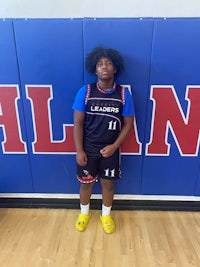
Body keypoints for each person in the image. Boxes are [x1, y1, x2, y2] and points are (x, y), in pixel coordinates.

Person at [72, 46, 135, 234]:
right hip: (88, 148)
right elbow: (77, 123)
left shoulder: (124, 94)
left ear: (115, 68)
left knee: (108, 183)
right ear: (95, 69)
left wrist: (115, 146)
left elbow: (128, 125)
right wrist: (79, 150)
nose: (104, 67)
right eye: (100, 64)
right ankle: (84, 213)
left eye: (108, 63)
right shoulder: (86, 91)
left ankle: (106, 215)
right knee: (86, 183)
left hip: (110, 149)